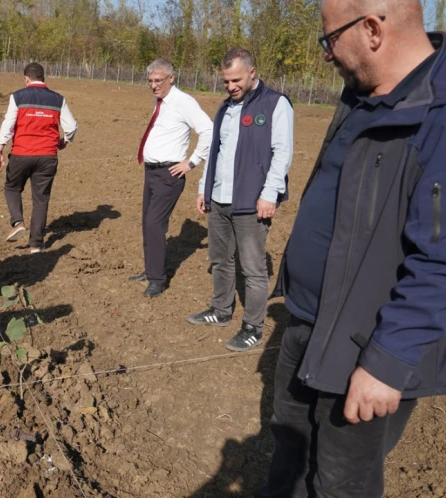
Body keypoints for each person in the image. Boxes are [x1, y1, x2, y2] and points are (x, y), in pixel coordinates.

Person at [256, 1, 446, 496]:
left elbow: (441, 259)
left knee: (341, 480)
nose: (325, 54)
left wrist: (386, 362)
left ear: (372, 30)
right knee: (289, 448)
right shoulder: (361, 94)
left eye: (329, 39)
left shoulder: (438, 114)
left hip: (368, 345)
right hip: (307, 321)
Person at [187, 49, 293, 351]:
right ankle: (221, 311)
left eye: (236, 80)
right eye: (226, 81)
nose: (231, 86)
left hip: (252, 201)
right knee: (220, 260)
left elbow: (281, 154)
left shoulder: (275, 104)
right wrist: (203, 188)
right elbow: (216, 152)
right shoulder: (224, 108)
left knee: (253, 269)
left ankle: (252, 327)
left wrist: (269, 194)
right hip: (219, 199)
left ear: (252, 72)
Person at [128, 58, 213, 298]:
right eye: (150, 81)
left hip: (169, 174)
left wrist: (192, 161)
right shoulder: (160, 101)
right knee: (147, 222)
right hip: (152, 172)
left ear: (171, 78)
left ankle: (158, 279)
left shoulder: (183, 102)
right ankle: (150, 270)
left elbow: (208, 130)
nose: (154, 85)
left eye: (158, 80)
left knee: (155, 224)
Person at [0, 62, 78, 253]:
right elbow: (72, 126)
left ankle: (17, 221)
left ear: (26, 79)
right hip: (48, 156)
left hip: (22, 153)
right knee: (41, 199)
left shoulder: (18, 96)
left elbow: (8, 125)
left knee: (12, 187)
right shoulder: (58, 99)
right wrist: (64, 141)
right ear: (43, 78)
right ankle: (36, 245)